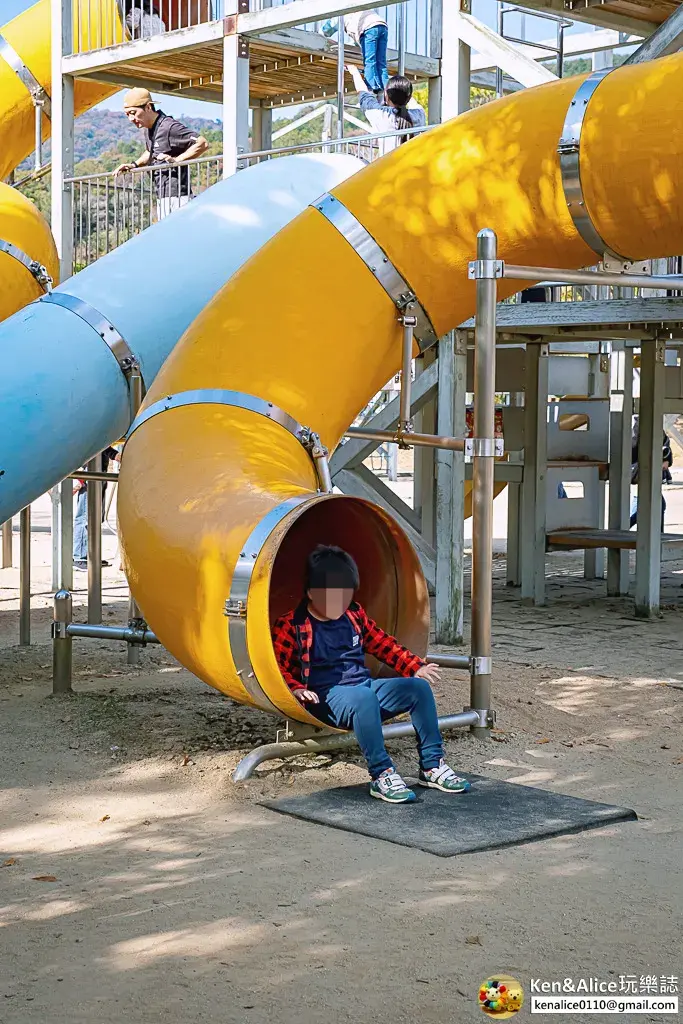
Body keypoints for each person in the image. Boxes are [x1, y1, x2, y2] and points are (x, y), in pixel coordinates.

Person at [272, 545, 471, 804]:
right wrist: (295, 688)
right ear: (310, 592)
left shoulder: (354, 615)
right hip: (325, 698)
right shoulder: (292, 625)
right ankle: (381, 773)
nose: (338, 603)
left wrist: (415, 666)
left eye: (344, 595)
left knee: (417, 688)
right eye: (329, 595)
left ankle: (432, 765)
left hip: (363, 688)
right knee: (363, 697)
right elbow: (277, 667)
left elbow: (382, 644)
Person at [113, 88, 209, 220]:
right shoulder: (149, 129)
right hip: (161, 193)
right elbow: (150, 152)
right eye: (127, 114)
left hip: (177, 195)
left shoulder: (169, 127)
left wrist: (177, 160)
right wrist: (133, 165)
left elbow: (202, 143)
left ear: (148, 107)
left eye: (133, 113)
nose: (130, 119)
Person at [346, 64, 426, 157]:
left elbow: (364, 95)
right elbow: (411, 100)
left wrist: (355, 73)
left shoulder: (381, 115)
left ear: (386, 96)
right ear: (409, 97)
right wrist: (400, 86)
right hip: (414, 168)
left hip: (389, 168)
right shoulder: (419, 114)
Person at [73, 447, 120, 571]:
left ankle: (90, 555)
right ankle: (80, 557)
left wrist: (114, 455)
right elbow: (98, 445)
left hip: (100, 470)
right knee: (85, 516)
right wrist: (115, 455)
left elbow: (103, 446)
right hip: (90, 470)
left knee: (96, 517)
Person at [323, 11, 389, 94]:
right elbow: (356, 44)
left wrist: (318, 36)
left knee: (369, 61)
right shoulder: (356, 13)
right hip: (382, 25)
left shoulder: (341, 15)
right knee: (381, 63)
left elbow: (327, 28)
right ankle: (389, 91)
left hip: (368, 28)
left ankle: (371, 88)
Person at [629, 417, 672, 531]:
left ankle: (658, 538)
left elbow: (664, 442)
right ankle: (619, 530)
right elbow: (633, 449)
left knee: (657, 504)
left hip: (647, 470)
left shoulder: (648, 422)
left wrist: (666, 457)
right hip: (643, 470)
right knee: (650, 504)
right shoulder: (638, 423)